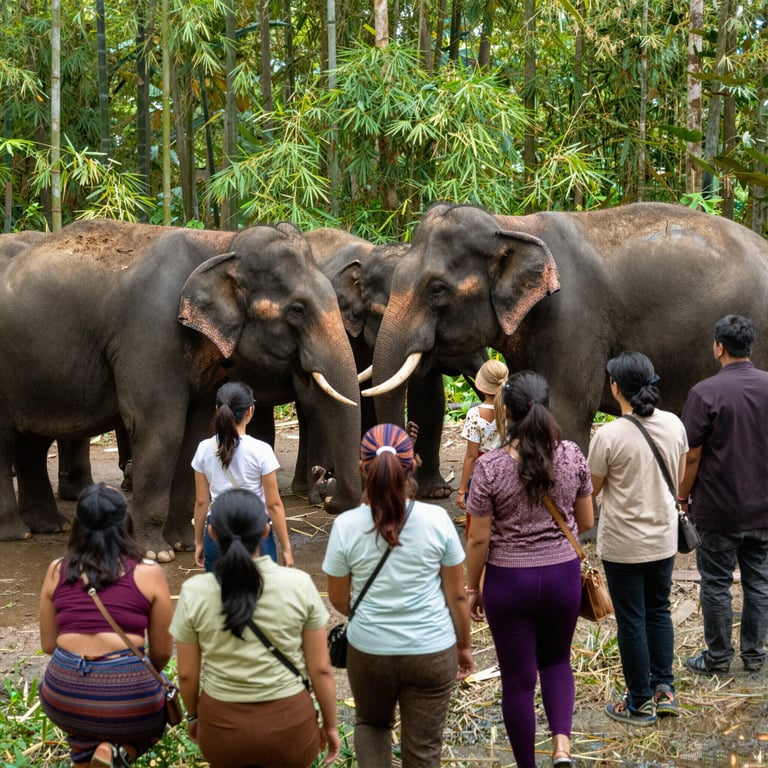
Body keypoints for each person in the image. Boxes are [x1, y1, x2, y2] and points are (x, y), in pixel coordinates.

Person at [323, 423, 474, 768]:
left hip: (369, 650)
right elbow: (457, 598)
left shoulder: (345, 526)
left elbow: (337, 598)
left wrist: (371, 613)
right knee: (423, 750)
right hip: (432, 651)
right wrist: (463, 647)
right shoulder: (437, 520)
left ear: (363, 468)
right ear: (413, 464)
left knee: (371, 725)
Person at [465, 371, 593, 768]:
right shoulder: (571, 454)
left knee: (518, 682)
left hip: (508, 581)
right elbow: (586, 522)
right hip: (562, 578)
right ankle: (562, 747)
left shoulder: (489, 468)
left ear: (507, 412)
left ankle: (526, 765)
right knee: (557, 661)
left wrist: (473, 588)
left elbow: (478, 540)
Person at [171, 488, 340, 768]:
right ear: (265, 532)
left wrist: (194, 717)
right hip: (290, 728)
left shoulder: (194, 591)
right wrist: (330, 725)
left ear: (212, 534)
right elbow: (321, 668)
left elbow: (187, 674)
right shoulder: (298, 584)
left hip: (222, 730)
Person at [38, 483, 173, 767]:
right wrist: (130, 678)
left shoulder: (56, 569)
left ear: (78, 525)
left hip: (62, 692)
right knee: (159, 715)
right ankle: (120, 752)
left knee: (84, 724)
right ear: (126, 522)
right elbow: (162, 653)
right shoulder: (149, 573)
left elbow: (49, 645)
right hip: (126, 692)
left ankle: (89, 756)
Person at [587, 352, 687, 725]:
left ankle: (639, 703)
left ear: (615, 388)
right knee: (659, 610)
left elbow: (591, 490)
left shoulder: (608, 436)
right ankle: (664, 691)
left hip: (623, 544)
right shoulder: (675, 425)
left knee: (631, 619)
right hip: (663, 540)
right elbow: (677, 477)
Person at [678, 314, 768, 675]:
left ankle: (717, 658)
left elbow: (693, 453)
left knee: (715, 583)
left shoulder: (704, 393)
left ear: (719, 347)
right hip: (763, 507)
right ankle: (755, 655)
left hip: (717, 509)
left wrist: (683, 496)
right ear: (750, 347)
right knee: (759, 581)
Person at [192, 381, 293, 571]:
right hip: (257, 530)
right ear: (250, 411)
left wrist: (199, 542)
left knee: (220, 594)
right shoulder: (261, 451)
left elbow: (201, 502)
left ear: (217, 409)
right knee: (262, 592)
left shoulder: (204, 449)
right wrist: (286, 548)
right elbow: (273, 504)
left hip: (217, 531)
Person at [456, 359, 509, 538]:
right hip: (506, 470)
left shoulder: (474, 414)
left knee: (478, 515)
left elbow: (471, 456)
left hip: (481, 472)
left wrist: (462, 489)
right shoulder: (512, 412)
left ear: (481, 385)